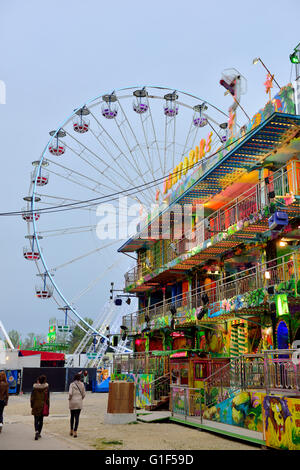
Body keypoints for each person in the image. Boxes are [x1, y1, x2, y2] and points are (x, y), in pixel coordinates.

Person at [30, 374, 50, 440]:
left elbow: (32, 398)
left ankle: (36, 431)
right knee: (41, 420)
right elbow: (48, 399)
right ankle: (39, 432)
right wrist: (48, 406)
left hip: (36, 405)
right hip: (43, 405)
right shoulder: (46, 388)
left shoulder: (34, 388)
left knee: (36, 419)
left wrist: (32, 405)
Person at [68, 373, 85, 438]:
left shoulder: (72, 384)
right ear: (80, 378)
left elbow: (70, 393)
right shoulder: (82, 384)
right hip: (79, 402)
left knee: (72, 416)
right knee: (77, 417)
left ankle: (71, 430)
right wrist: (81, 398)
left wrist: (69, 398)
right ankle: (75, 431)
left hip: (72, 402)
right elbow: (84, 394)